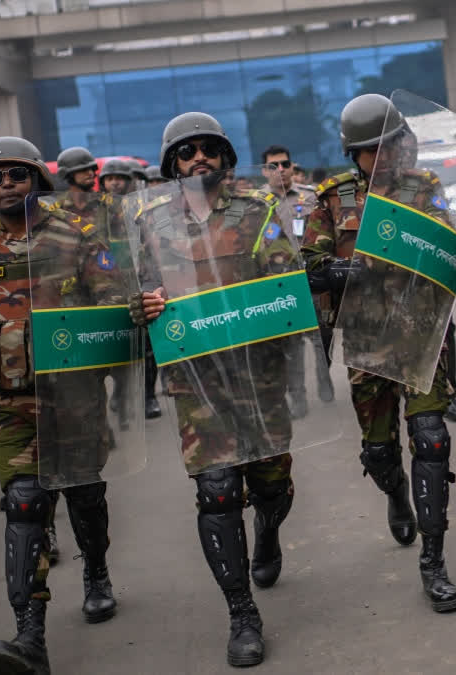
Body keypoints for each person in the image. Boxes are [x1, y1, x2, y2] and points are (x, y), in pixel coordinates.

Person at [0, 137, 125, 674]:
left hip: (75, 399)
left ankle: (96, 571)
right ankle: (30, 637)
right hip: (7, 403)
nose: (5, 185)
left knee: (86, 496)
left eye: (16, 175)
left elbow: (111, 303)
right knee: (24, 505)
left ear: (35, 179)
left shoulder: (76, 234)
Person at [132, 112, 298, 665]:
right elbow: (131, 295)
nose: (197, 157)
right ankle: (242, 614)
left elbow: (286, 278)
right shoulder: (150, 224)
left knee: (272, 485)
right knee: (218, 492)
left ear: (224, 158)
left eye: (207, 148)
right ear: (171, 165)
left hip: (257, 376)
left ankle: (270, 530)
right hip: (195, 382)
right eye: (186, 152)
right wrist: (143, 304)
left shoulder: (260, 213)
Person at [302, 93, 456, 612]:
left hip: (419, 336)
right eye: (371, 148)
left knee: (432, 440)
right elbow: (305, 260)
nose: (382, 155)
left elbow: (446, 243)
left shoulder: (425, 189)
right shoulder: (333, 198)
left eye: (389, 144)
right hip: (366, 341)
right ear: (355, 153)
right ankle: (396, 493)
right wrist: (332, 270)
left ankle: (434, 561)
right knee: (378, 451)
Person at [262, 144, 335, 412]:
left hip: (313, 279)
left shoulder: (311, 196)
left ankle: (326, 385)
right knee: (291, 345)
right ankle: (298, 398)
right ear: (264, 171)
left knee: (320, 339)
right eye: (273, 166)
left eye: (285, 164)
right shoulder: (256, 203)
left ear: (292, 167)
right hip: (280, 284)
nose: (280, 170)